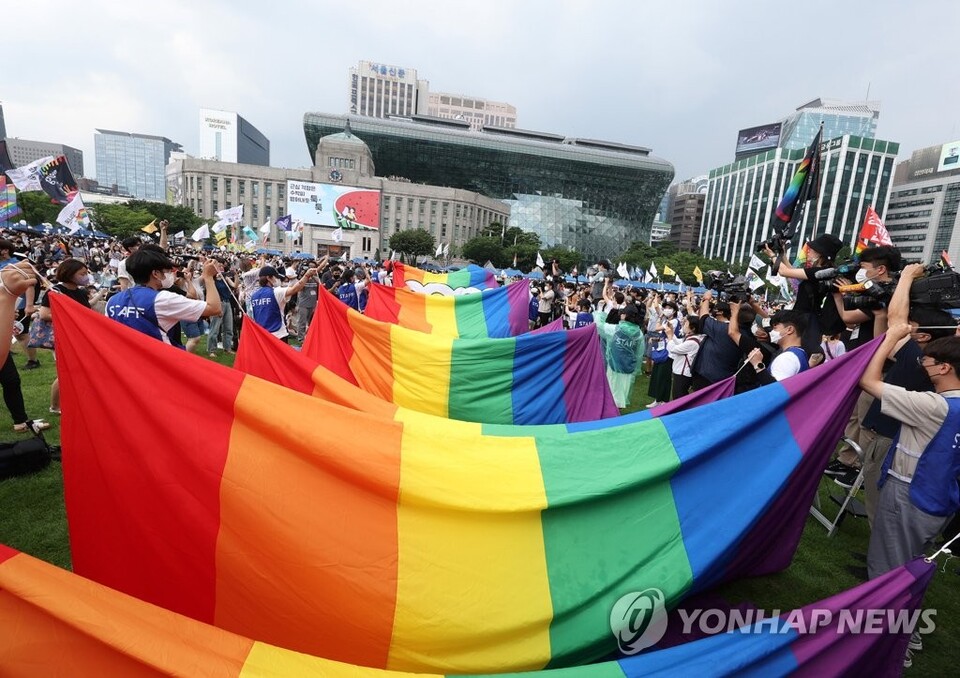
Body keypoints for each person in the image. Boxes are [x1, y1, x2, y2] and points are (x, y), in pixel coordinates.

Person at [861, 323, 960, 584]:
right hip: (938, 498)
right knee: (907, 565)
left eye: (926, 359)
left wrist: (890, 337)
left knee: (887, 571)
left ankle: (885, 621)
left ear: (944, 367)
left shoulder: (934, 406)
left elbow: (868, 381)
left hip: (908, 493)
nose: (921, 363)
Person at [106, 249, 221, 344]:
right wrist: (208, 277)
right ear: (156, 274)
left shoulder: (112, 301)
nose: (170, 275)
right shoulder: (163, 299)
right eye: (167, 271)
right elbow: (214, 308)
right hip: (158, 363)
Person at [763, 233, 846, 361]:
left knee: (797, 352)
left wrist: (772, 255)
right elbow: (792, 272)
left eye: (812, 249)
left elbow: (784, 272)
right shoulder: (821, 272)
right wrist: (782, 253)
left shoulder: (819, 272)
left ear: (821, 254)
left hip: (806, 321)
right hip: (807, 318)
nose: (808, 250)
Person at [40, 259, 93, 418]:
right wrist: (70, 318)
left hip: (80, 337)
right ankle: (54, 406)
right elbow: (44, 314)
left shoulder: (80, 292)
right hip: (63, 337)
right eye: (82, 274)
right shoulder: (55, 291)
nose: (85, 277)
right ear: (70, 274)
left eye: (86, 273)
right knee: (66, 372)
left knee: (80, 370)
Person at [250, 265, 318, 341]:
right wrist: (306, 275)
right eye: (275, 277)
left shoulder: (253, 296)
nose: (277, 279)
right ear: (269, 278)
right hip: (279, 334)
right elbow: (295, 289)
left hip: (262, 336)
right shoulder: (276, 292)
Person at [597, 303, 645, 408]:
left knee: (612, 391)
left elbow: (598, 325)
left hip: (614, 365)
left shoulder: (616, 329)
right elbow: (639, 353)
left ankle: (611, 413)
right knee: (622, 394)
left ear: (624, 315)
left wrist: (600, 309)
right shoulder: (639, 333)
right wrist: (636, 369)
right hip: (628, 367)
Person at [747, 309, 809, 383]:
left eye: (775, 328)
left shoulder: (787, 358)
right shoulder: (800, 352)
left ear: (789, 329)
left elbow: (775, 390)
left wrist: (758, 364)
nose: (772, 332)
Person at [646, 300, 679, 407]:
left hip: (669, 352)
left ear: (674, 311)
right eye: (665, 307)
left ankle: (664, 400)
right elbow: (660, 332)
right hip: (662, 350)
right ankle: (658, 398)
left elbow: (657, 328)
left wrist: (660, 317)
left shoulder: (674, 321)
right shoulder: (667, 321)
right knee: (657, 374)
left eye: (669, 308)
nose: (666, 310)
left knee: (664, 376)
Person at [665, 314, 704, 400]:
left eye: (686, 323)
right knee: (679, 396)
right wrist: (671, 331)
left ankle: (680, 413)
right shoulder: (692, 338)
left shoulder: (692, 342)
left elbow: (674, 349)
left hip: (683, 374)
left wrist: (670, 336)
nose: (683, 324)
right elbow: (679, 342)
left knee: (678, 397)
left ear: (693, 328)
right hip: (681, 373)